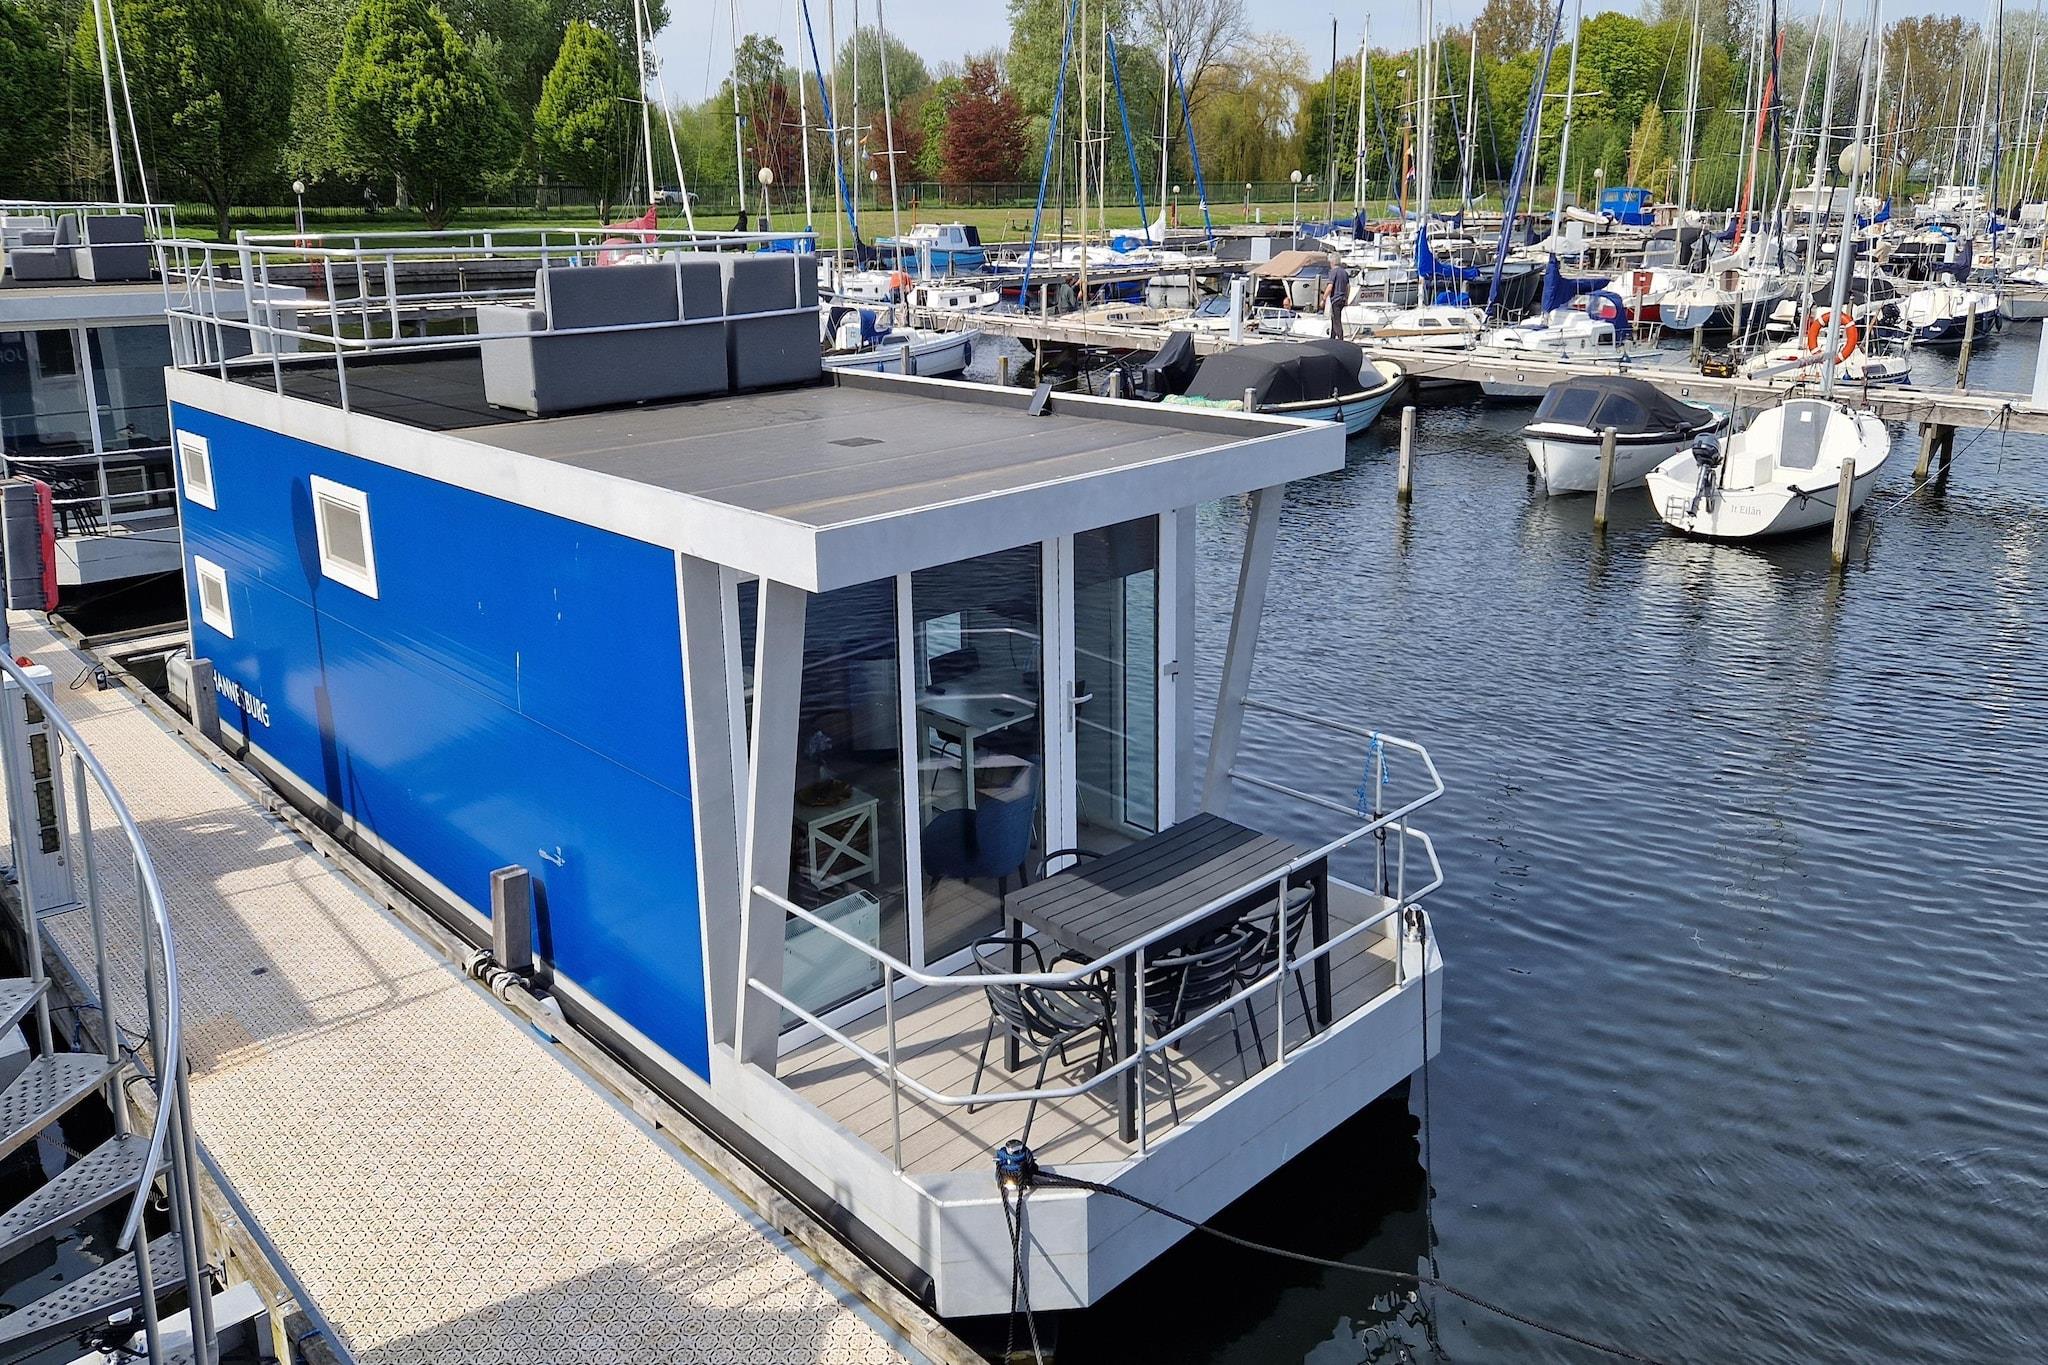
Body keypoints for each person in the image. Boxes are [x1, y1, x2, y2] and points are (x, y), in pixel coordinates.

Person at [1323, 254, 1351, 339]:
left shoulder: (1333, 272)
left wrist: (1324, 298)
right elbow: (1348, 287)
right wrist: (1347, 298)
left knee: (1336, 321)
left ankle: (1340, 339)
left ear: (1333, 262)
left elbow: (1330, 286)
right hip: (1343, 298)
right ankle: (1332, 337)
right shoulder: (1344, 272)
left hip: (1336, 299)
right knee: (1334, 318)